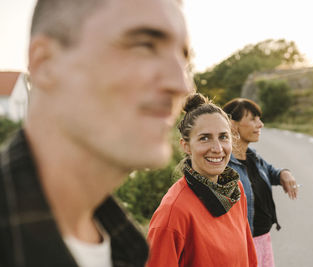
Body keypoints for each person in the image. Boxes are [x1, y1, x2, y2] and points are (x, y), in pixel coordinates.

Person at [0, 0, 191, 266]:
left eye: (184, 59)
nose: (181, 84)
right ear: (45, 63)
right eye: (145, 45)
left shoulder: (124, 245)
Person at [146, 93, 257, 267]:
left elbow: (249, 259)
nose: (217, 148)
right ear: (186, 146)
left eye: (223, 137)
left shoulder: (235, 190)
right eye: (204, 138)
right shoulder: (173, 212)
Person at [223, 98, 298, 267]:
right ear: (232, 124)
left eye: (259, 119)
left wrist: (283, 173)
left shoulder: (252, 156)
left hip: (263, 240)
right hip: (243, 247)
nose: (261, 124)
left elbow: (271, 172)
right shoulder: (223, 166)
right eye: (253, 119)